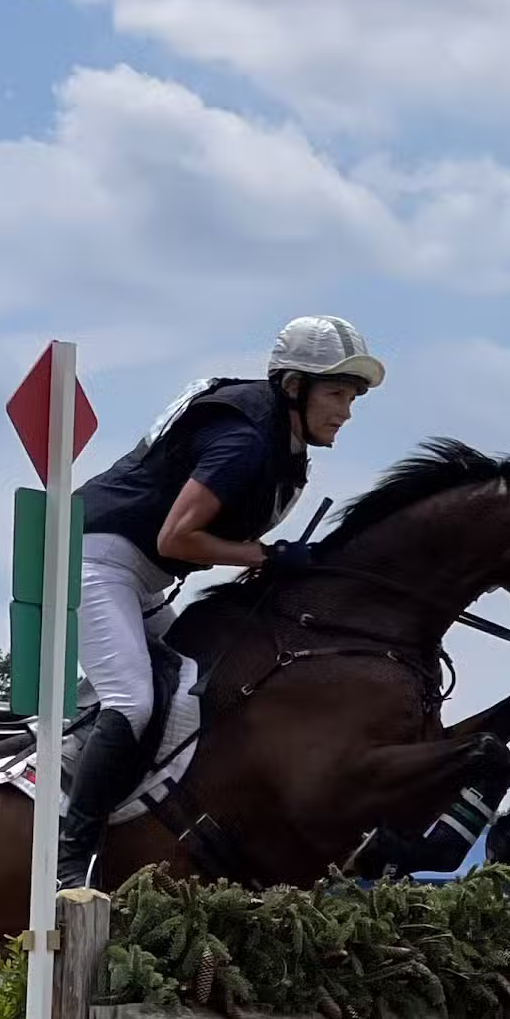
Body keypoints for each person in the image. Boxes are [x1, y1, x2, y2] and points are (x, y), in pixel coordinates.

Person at [56, 315, 386, 888]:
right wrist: (265, 556)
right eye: (336, 394)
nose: (345, 411)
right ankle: (70, 858)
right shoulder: (246, 441)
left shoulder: (282, 445)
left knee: (193, 694)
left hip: (136, 573)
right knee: (133, 704)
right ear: (293, 388)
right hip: (93, 558)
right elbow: (175, 538)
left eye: (352, 398)